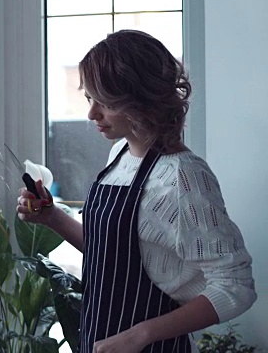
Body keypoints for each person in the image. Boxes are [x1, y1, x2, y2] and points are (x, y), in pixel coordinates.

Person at [16, 30, 256, 353]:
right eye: (90, 99)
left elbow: (237, 287)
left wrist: (140, 335)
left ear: (141, 99)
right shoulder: (120, 155)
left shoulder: (183, 178)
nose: (92, 114)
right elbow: (110, 253)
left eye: (105, 102)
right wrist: (52, 217)